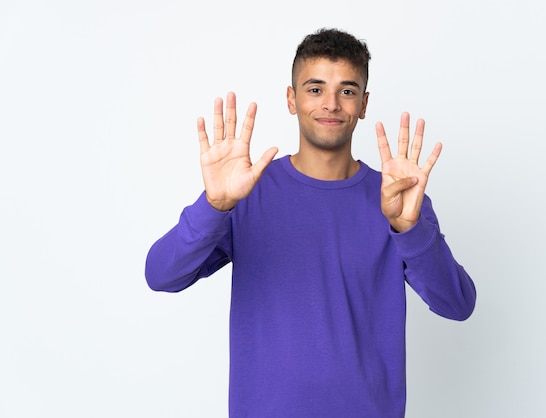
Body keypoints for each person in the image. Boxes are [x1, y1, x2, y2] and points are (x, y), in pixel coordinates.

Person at [145, 28, 476, 418]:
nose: (331, 104)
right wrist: (214, 205)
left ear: (364, 104)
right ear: (292, 98)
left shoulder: (397, 199)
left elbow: (458, 304)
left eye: (347, 91)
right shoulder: (248, 192)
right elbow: (161, 274)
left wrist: (410, 229)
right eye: (315, 89)